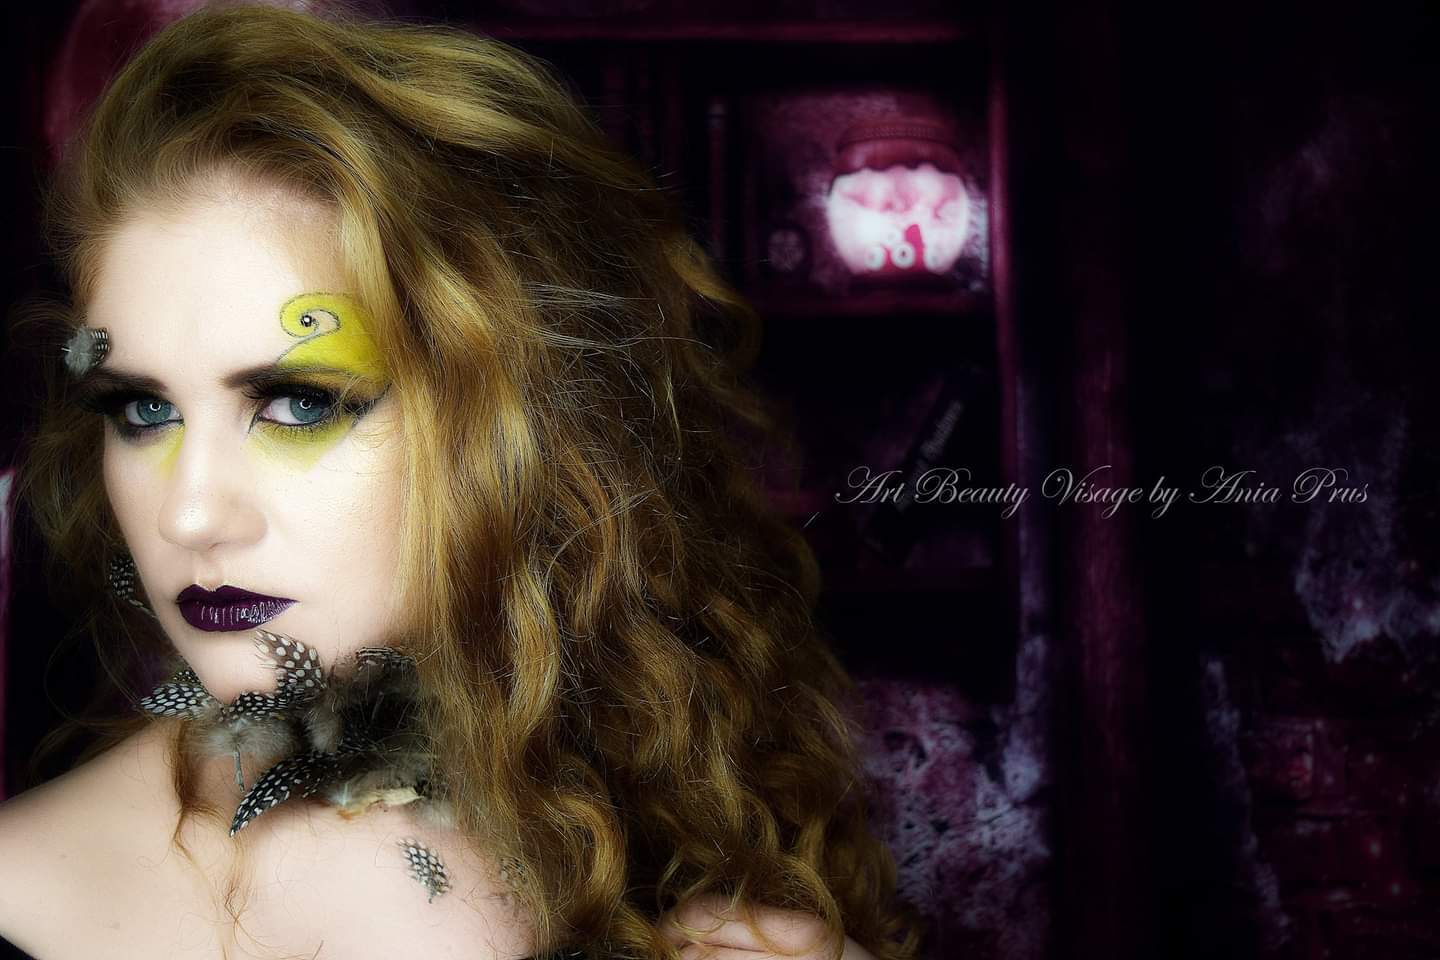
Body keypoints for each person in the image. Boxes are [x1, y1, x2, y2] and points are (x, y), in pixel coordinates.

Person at [0, 5, 924, 959]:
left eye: (300, 403)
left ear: (522, 420)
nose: (190, 514)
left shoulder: (661, 820)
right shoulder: (25, 897)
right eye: (142, 410)